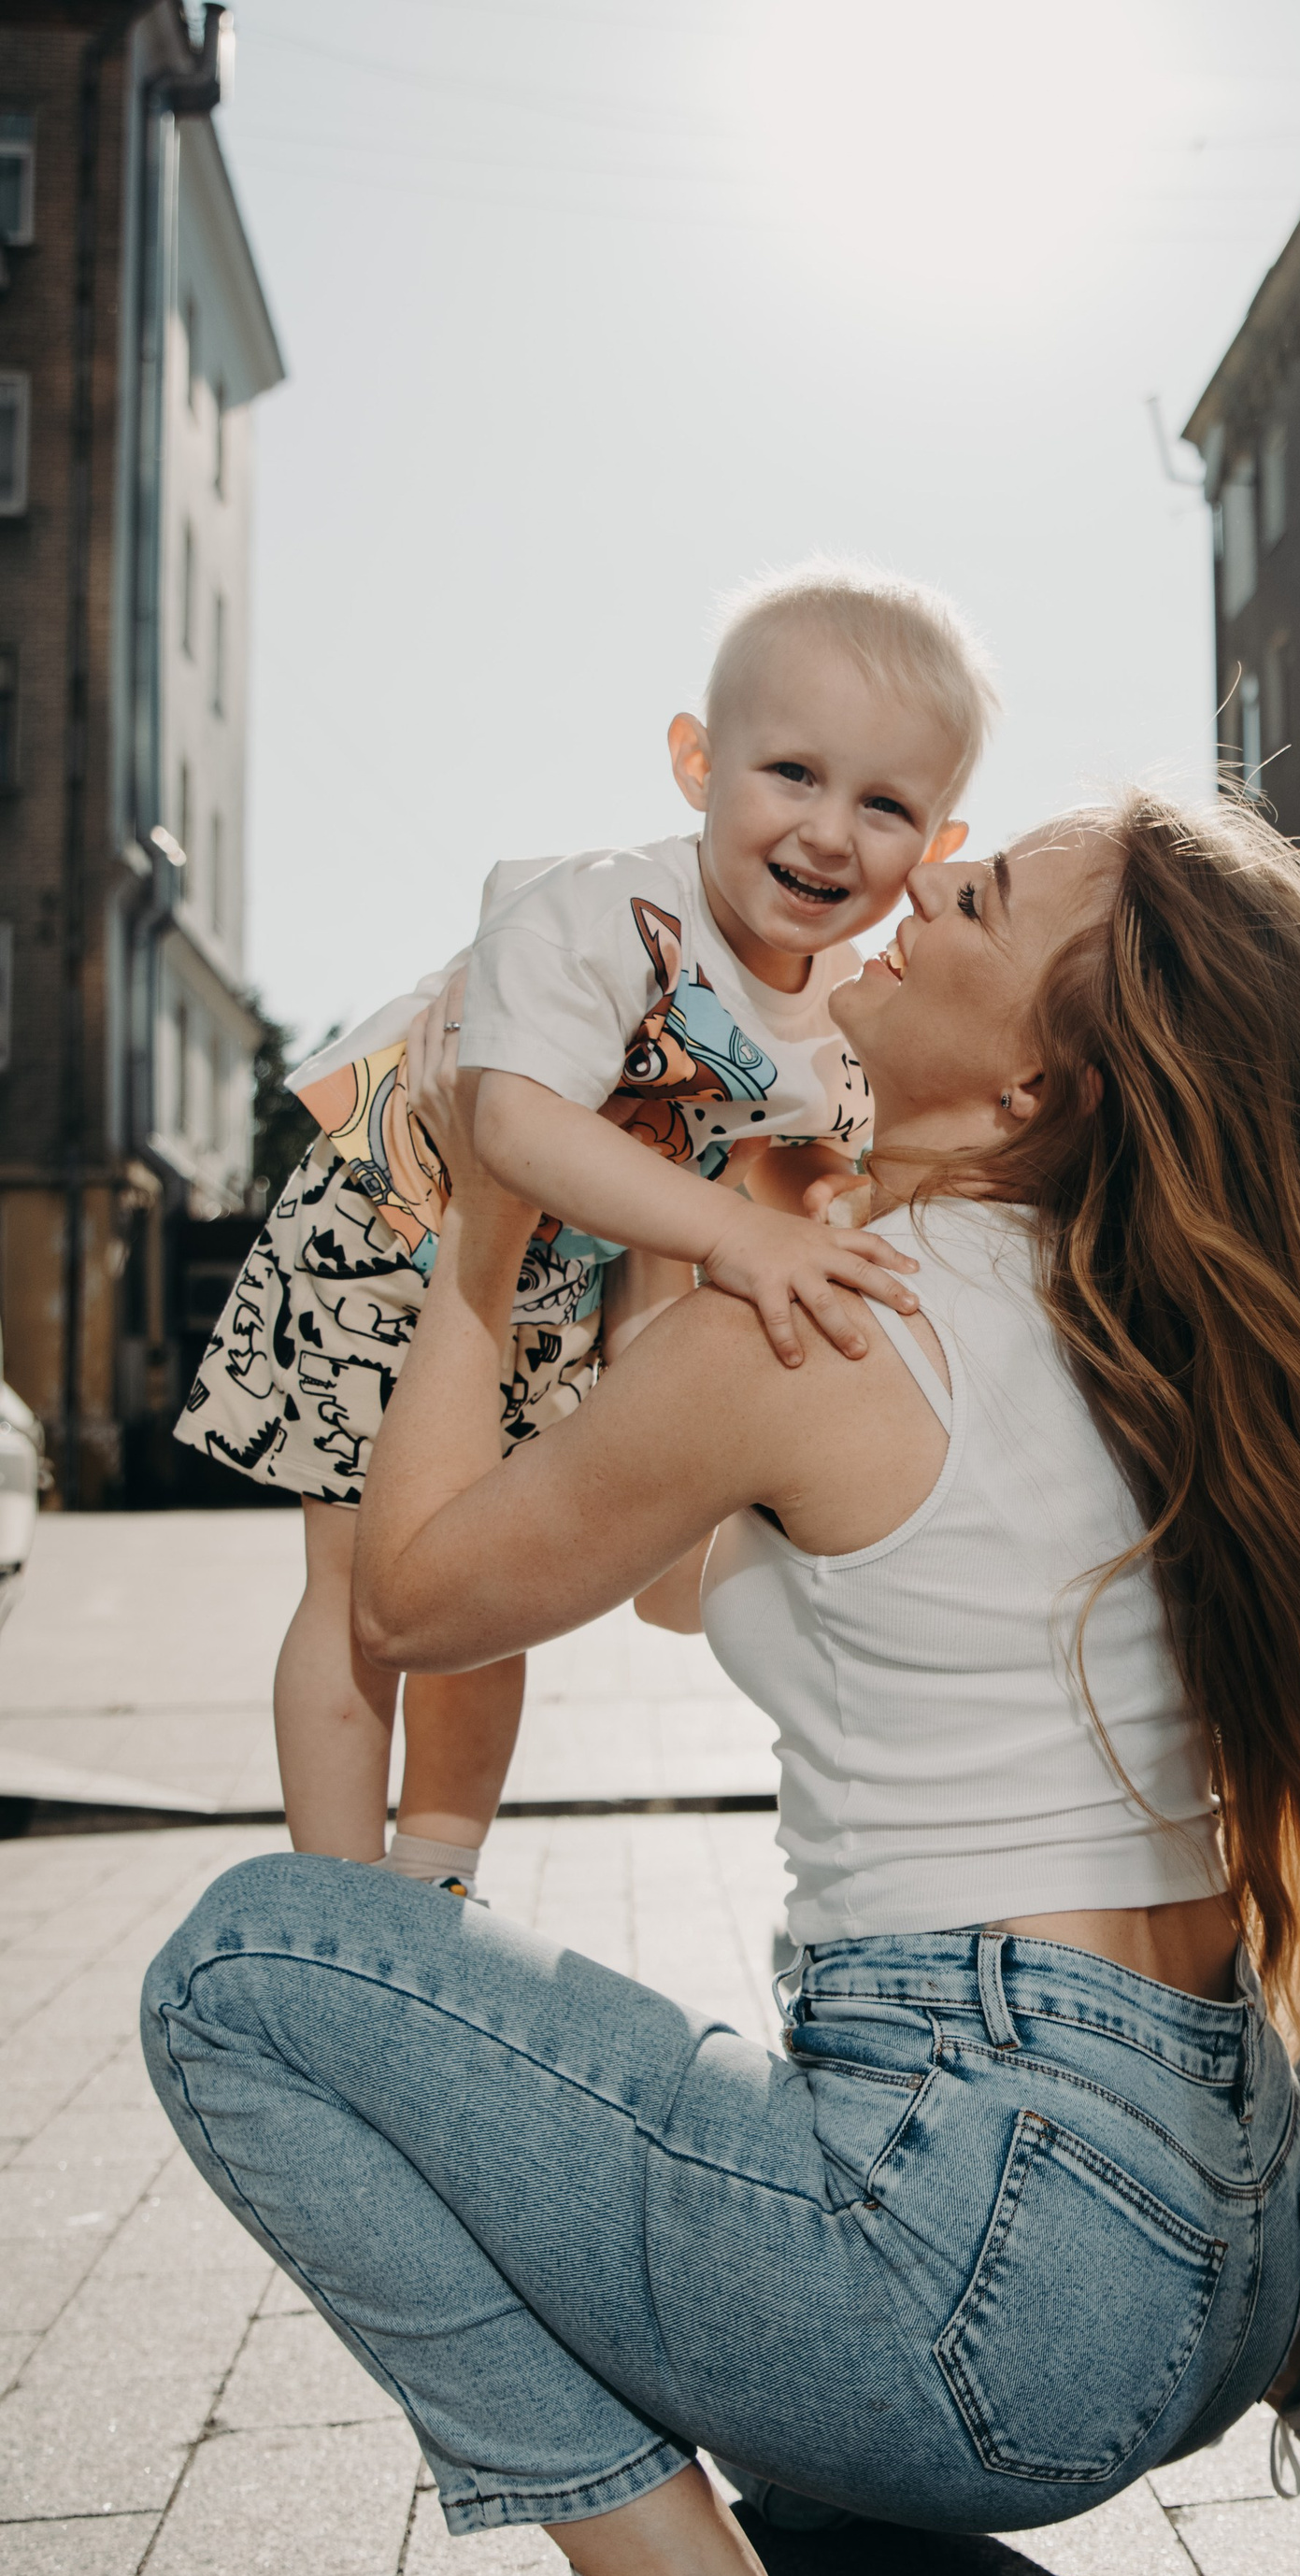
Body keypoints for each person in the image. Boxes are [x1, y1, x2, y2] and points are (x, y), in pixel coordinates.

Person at [140, 790, 1300, 2576]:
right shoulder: (1133, 1321)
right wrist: (731, 1185)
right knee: (747, 2232)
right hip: (1213, 2227)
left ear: (1034, 1085)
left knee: (242, 1973)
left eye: (974, 902)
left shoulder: (838, 1323)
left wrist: (483, 1216)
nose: (912, 894)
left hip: (994, 2308)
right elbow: (679, 1568)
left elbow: (408, 1599)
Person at [173, 562, 990, 1900]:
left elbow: (807, 1157)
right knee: (357, 1585)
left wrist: (830, 1212)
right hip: (394, 1224)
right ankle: (337, 1899)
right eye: (792, 773)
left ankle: (435, 1885)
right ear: (697, 763)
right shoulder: (609, 912)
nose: (831, 832)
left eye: (885, 804)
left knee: (479, 1591)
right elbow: (513, 1125)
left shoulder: (845, 999)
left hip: (560, 1282)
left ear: (937, 847)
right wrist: (735, 1240)